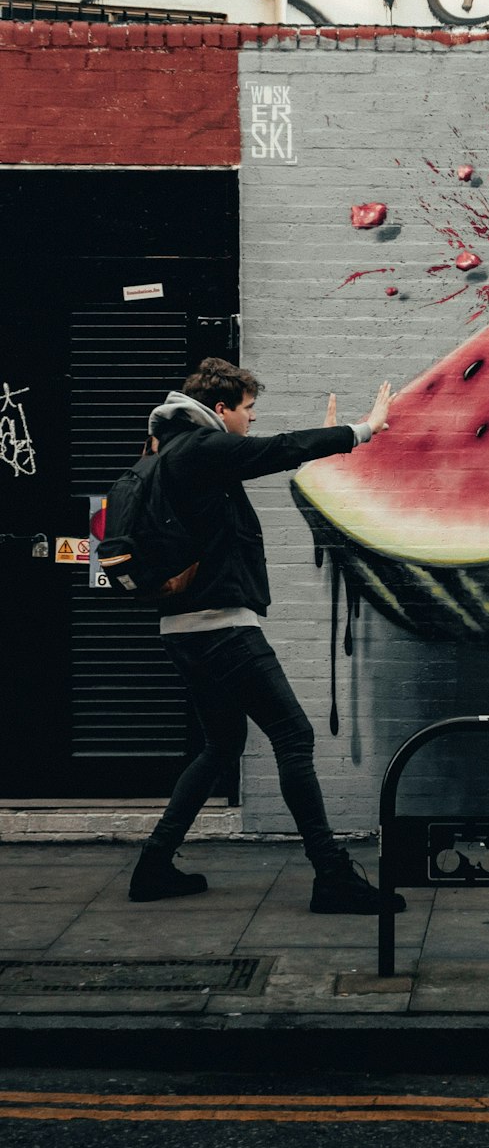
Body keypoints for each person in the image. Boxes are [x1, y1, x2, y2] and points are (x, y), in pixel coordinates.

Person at [128, 356, 403, 916]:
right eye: (248, 410)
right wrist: (361, 430)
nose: (252, 421)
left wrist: (325, 445)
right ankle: (331, 876)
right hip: (222, 629)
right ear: (221, 409)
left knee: (221, 745)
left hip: (184, 630)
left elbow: (267, 454)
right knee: (293, 736)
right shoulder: (201, 449)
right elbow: (273, 451)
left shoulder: (165, 454)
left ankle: (154, 866)